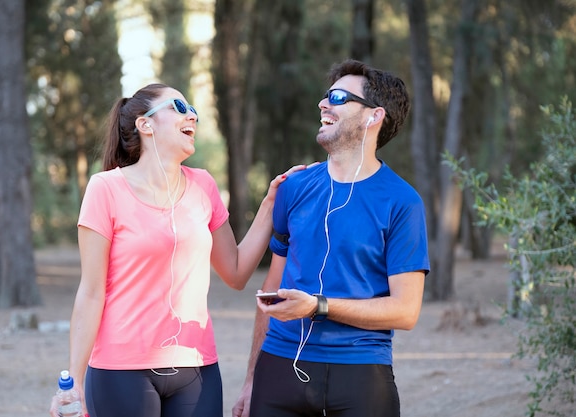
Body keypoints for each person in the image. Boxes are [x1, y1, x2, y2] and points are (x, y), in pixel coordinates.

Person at [48, 83, 304, 417]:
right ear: (146, 124)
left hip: (196, 368)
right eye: (179, 108)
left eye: (193, 109)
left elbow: (237, 272)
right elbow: (91, 293)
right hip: (121, 369)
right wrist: (76, 381)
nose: (192, 115)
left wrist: (270, 205)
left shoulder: (204, 185)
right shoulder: (105, 188)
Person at [232, 59, 430, 417]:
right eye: (326, 96)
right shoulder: (293, 187)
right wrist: (251, 379)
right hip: (278, 367)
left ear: (374, 116)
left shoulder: (402, 202)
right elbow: (272, 286)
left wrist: (318, 306)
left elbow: (405, 310)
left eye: (339, 97)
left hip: (360, 374)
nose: (324, 104)